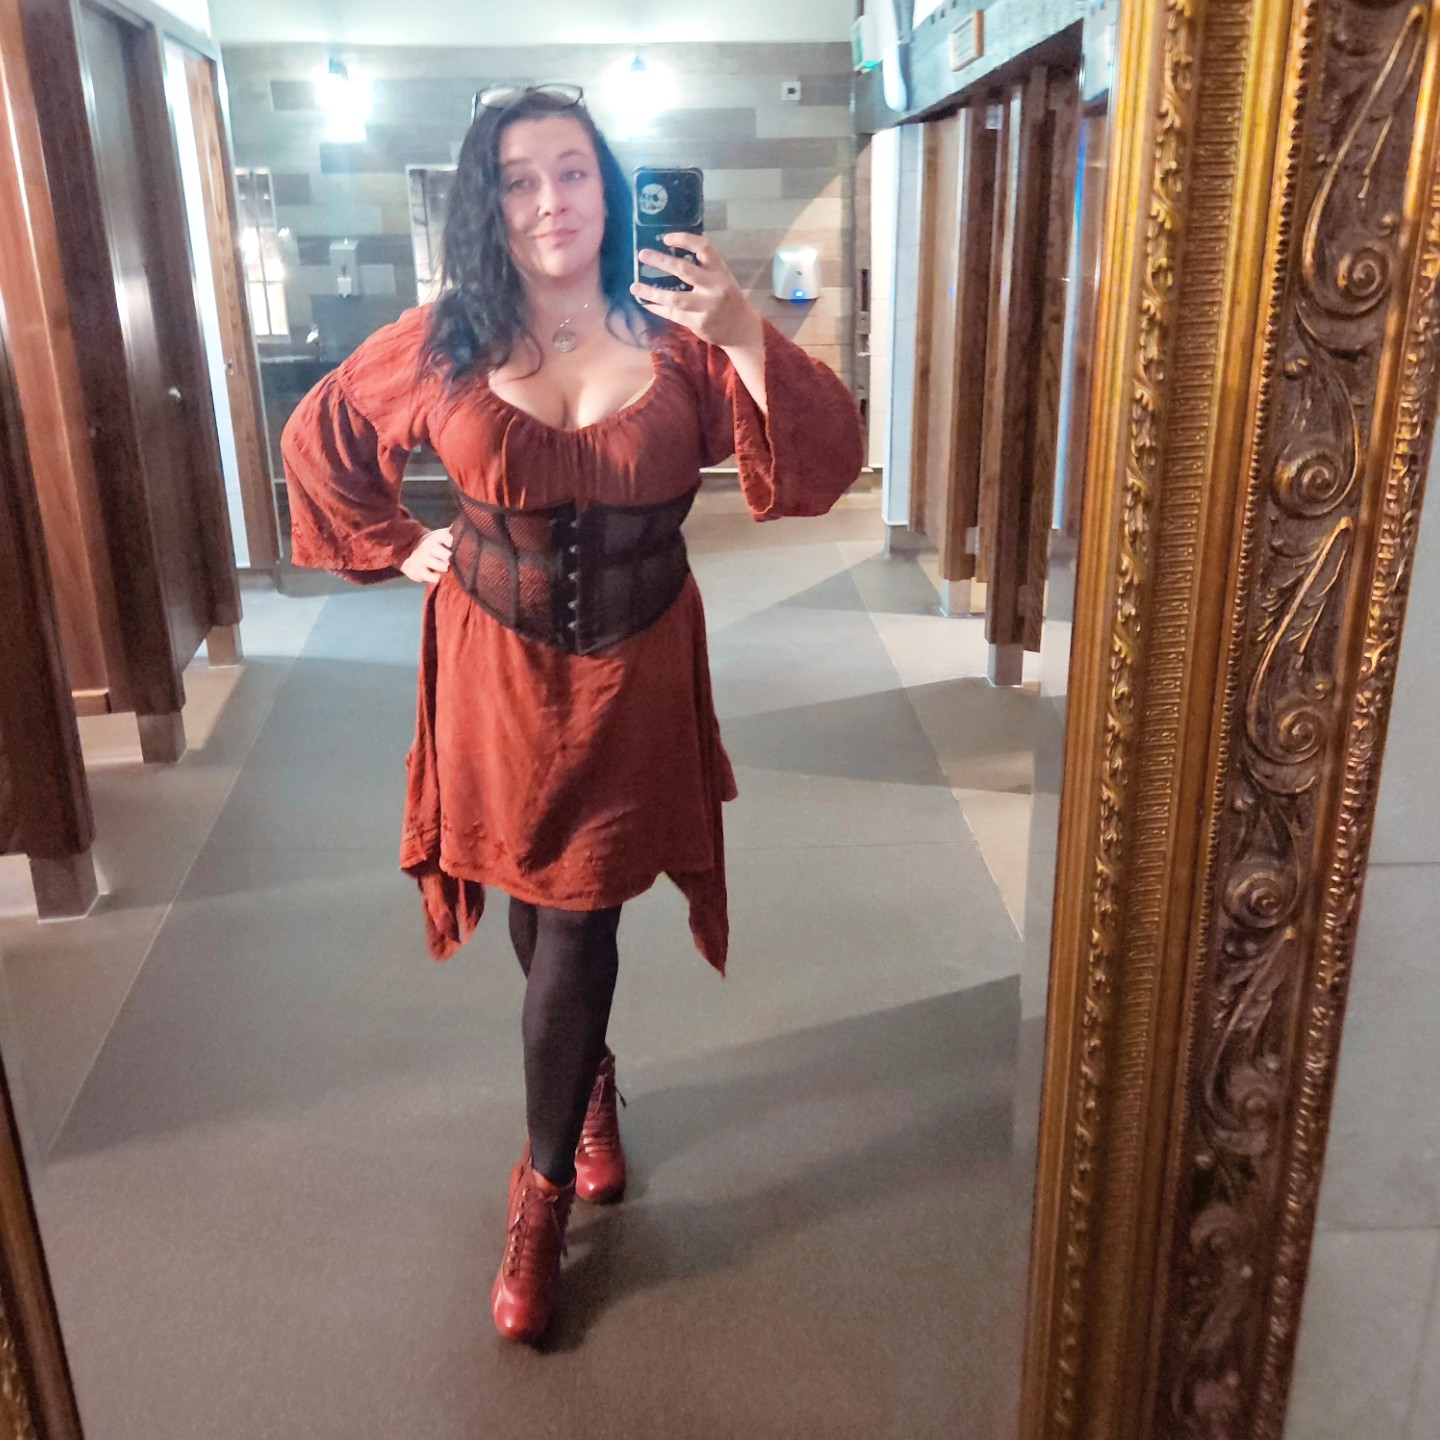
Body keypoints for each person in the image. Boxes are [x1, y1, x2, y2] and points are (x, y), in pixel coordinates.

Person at [281, 83, 863, 1345]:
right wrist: (398, 544)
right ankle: (587, 1080)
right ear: (486, 205)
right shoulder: (445, 338)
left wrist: (746, 329)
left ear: (611, 186)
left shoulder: (683, 335)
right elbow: (322, 434)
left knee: (582, 913)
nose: (550, 200)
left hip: (634, 668)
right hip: (492, 667)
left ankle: (539, 1193)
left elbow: (822, 459)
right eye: (518, 179)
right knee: (534, 897)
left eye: (573, 172)